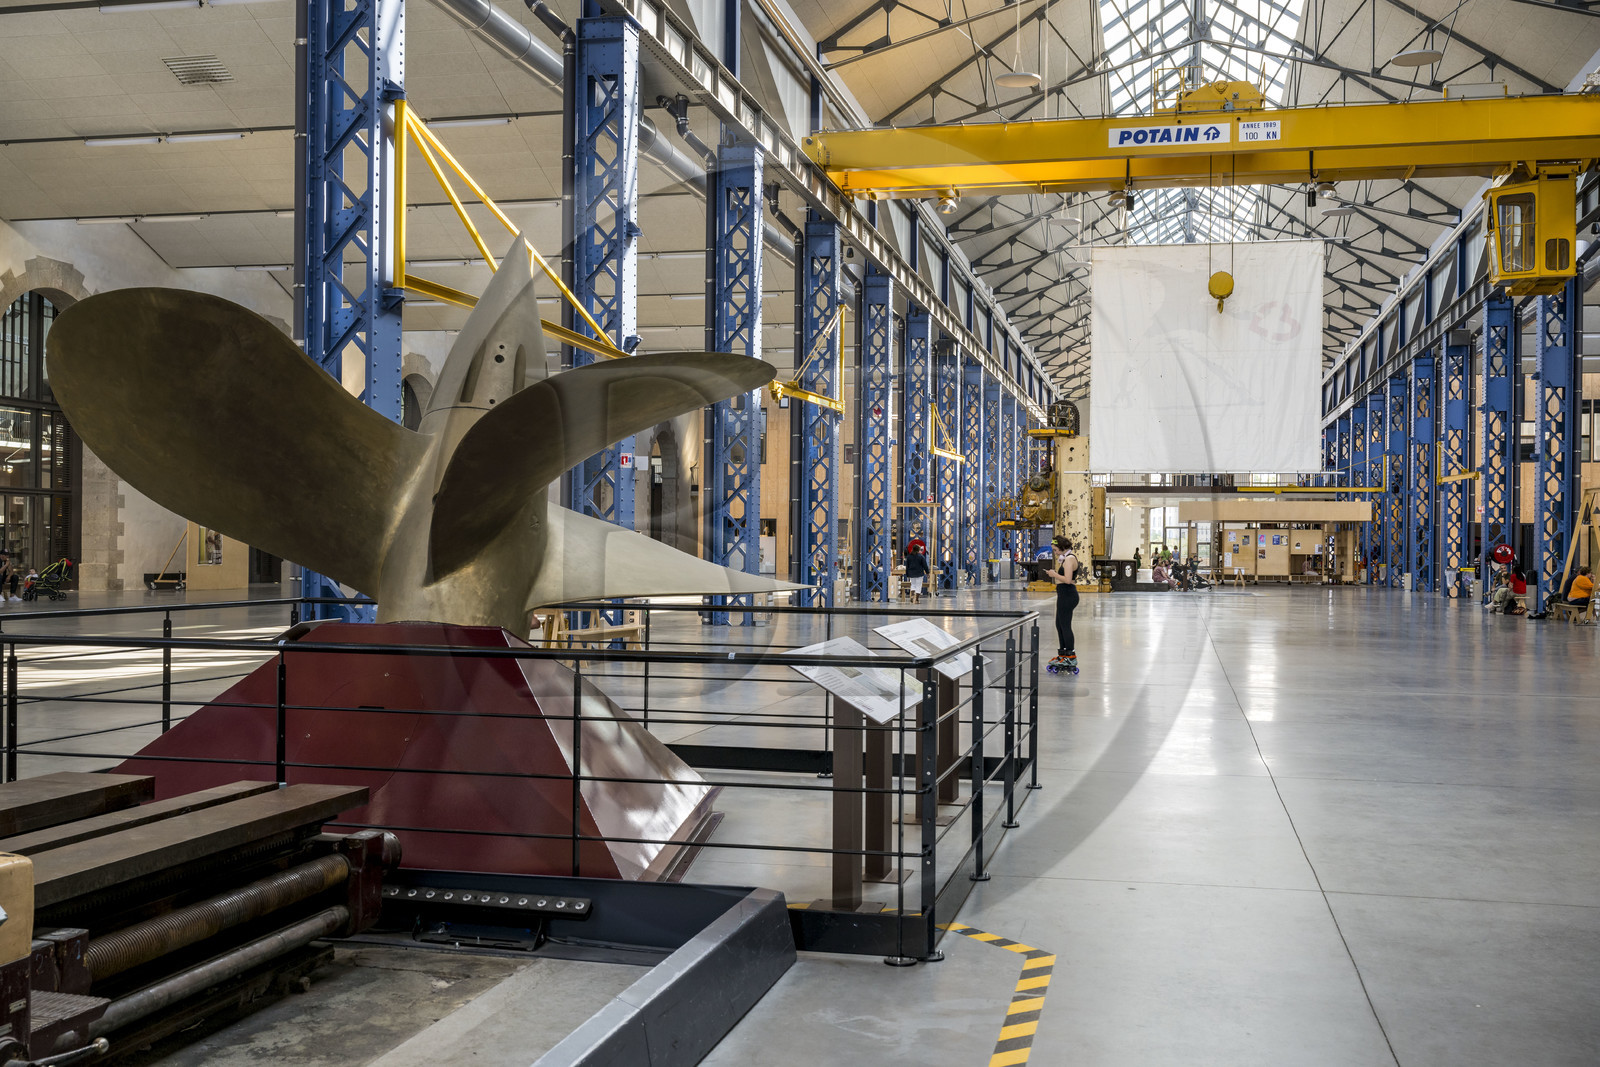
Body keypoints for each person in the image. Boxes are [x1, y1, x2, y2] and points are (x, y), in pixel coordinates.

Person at [1043, 535, 1080, 673]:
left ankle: (1070, 656)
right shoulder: (1066, 558)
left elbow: (1068, 580)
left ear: (1062, 547)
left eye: (1055, 550)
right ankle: (1063, 654)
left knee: (1065, 625)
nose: (1055, 552)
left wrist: (1054, 574)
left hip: (1068, 595)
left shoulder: (1070, 559)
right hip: (1063, 594)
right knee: (1059, 625)